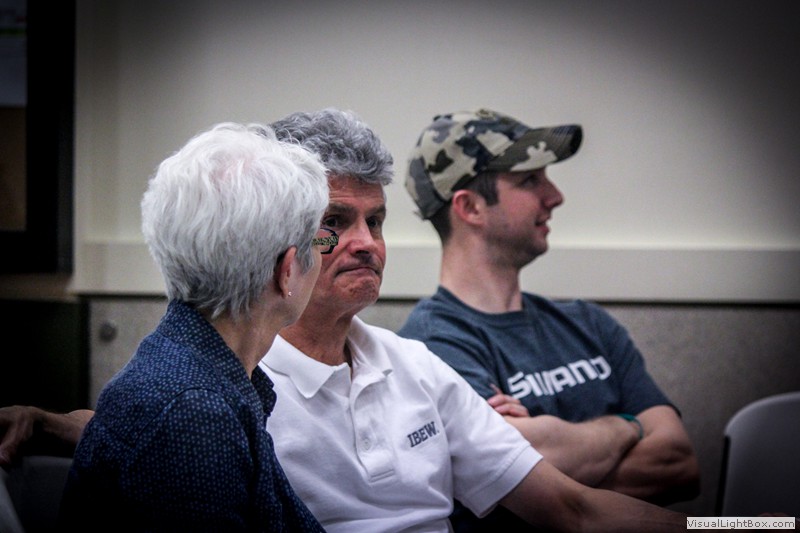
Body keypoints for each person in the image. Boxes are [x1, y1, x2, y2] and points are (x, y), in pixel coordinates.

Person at [1, 109, 689, 532]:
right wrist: (52, 422)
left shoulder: (412, 363)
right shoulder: (233, 377)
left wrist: (734, 523)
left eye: (377, 221)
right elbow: (170, 429)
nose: (366, 243)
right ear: (284, 242)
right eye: (335, 221)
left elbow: (574, 510)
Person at [399, 108, 700, 530]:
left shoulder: (588, 322)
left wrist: (547, 467)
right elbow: (504, 475)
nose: (555, 196)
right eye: (529, 180)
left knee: (779, 525)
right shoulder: (430, 348)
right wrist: (628, 427)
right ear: (471, 207)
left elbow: (680, 463)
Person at [57, 122, 331, 531]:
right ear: (288, 271)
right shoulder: (194, 414)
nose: (325, 253)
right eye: (322, 241)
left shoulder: (186, 369)